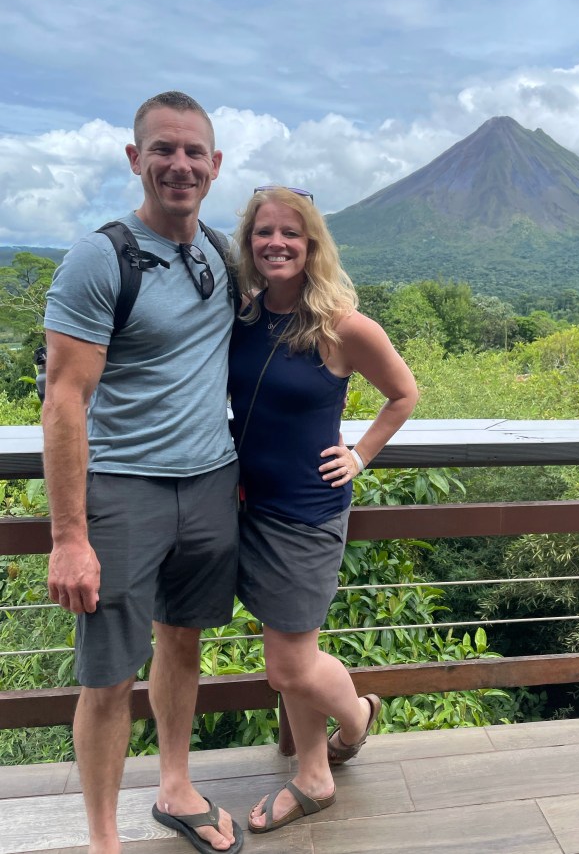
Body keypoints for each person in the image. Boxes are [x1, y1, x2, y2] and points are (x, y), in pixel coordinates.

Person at [43, 91, 243, 854]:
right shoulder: (101, 258)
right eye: (163, 149)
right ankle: (104, 840)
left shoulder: (221, 255)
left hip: (211, 480)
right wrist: (69, 536)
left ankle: (175, 785)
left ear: (215, 165)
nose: (179, 165)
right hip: (124, 488)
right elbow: (64, 400)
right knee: (107, 675)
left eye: (193, 152)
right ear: (136, 158)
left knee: (182, 642)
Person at [229, 185, 419, 834]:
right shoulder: (246, 315)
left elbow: (403, 393)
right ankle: (314, 774)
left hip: (307, 513)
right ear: (249, 242)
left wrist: (360, 454)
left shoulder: (343, 325)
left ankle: (357, 719)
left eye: (291, 232)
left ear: (312, 244)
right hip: (250, 506)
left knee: (287, 664)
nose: (276, 243)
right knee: (290, 652)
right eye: (264, 231)